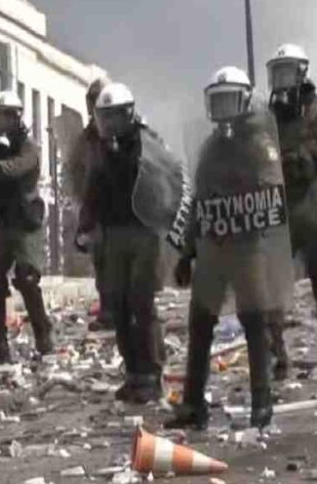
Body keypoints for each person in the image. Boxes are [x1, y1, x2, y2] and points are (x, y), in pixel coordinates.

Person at [166, 67, 293, 430]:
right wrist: (188, 251)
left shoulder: (259, 145)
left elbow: (270, 197)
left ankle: (261, 400)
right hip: (213, 249)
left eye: (228, 99)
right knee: (200, 322)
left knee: (254, 322)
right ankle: (193, 403)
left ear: (244, 100)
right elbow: (199, 202)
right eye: (216, 100)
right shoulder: (210, 147)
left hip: (248, 247)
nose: (222, 108)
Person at [79, 83, 176, 404]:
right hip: (113, 234)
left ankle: (153, 371)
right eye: (104, 118)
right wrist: (84, 227)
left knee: (141, 302)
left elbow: (166, 183)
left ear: (129, 114)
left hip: (144, 233)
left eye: (115, 118)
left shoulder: (147, 143)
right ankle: (134, 372)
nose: (110, 125)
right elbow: (92, 190)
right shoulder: (100, 149)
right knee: (118, 305)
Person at [0, 91, 53, 363]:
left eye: (7, 115)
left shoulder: (29, 146)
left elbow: (15, 168)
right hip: (2, 221)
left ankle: (43, 333)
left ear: (16, 117)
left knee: (26, 278)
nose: (1, 121)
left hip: (26, 222)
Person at [266, 43, 317, 379]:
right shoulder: (267, 119)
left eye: (287, 73)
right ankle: (278, 356)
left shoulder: (314, 111)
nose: (281, 81)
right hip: (279, 214)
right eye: (277, 73)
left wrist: (297, 158)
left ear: (301, 74)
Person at [69, 78, 115, 331]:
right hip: (97, 209)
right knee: (102, 262)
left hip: (124, 209)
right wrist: (83, 208)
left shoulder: (126, 131)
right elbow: (76, 172)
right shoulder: (85, 140)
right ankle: (108, 311)